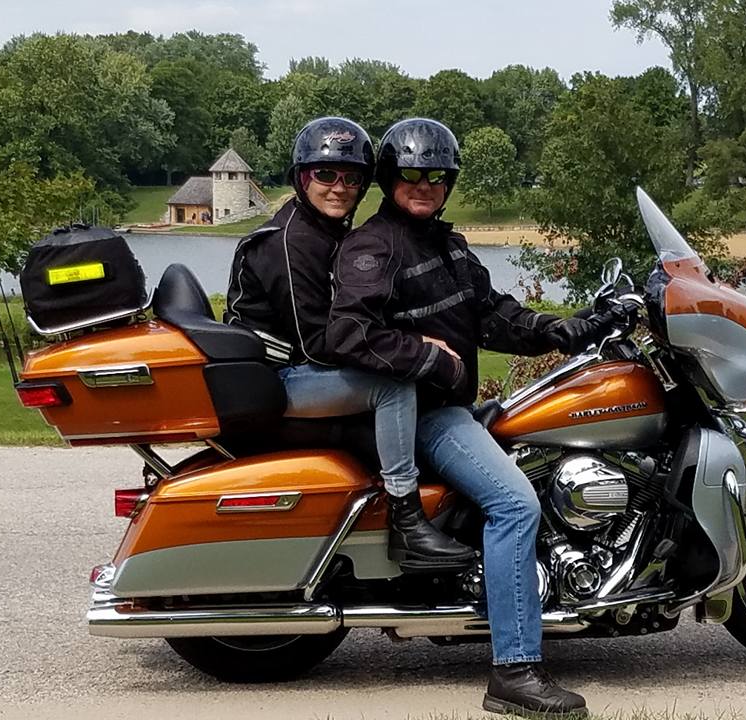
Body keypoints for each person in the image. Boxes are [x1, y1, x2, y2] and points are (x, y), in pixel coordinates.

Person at [327, 118, 609, 718]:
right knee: (515, 504)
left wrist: (568, 328)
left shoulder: (445, 244)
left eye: (436, 174)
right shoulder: (374, 247)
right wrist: (428, 357)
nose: (424, 184)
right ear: (389, 178)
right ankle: (514, 670)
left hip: (449, 404)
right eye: (411, 174)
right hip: (427, 415)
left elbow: (492, 313)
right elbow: (349, 333)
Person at [224, 116, 475, 569]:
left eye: (351, 176)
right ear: (302, 178)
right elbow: (321, 343)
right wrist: (417, 348)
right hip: (276, 380)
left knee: (396, 375)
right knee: (392, 384)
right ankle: (407, 518)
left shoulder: (320, 229)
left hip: (288, 375)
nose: (338, 187)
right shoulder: (291, 242)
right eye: (324, 174)